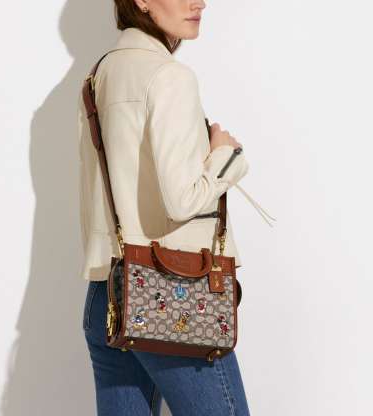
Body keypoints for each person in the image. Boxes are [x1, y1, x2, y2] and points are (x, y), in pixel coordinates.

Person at [78, 1, 274, 414]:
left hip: (106, 293)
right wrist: (225, 156)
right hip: (170, 294)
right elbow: (182, 199)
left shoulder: (101, 75)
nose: (199, 2)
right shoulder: (169, 76)